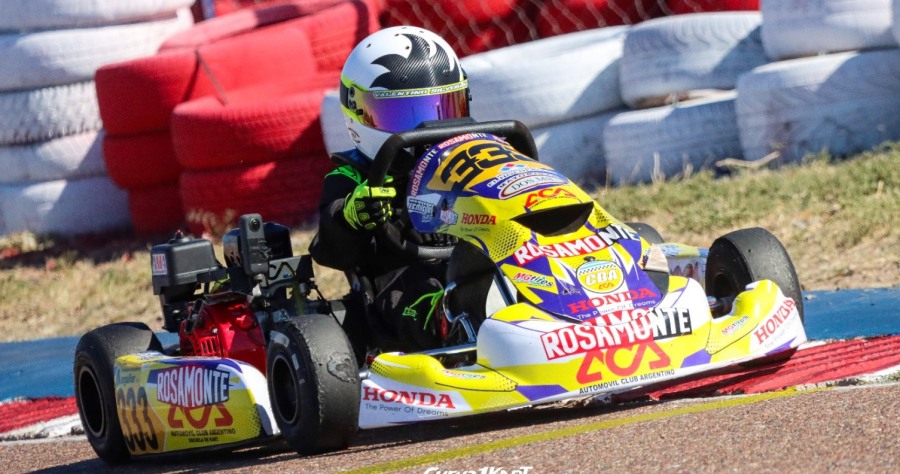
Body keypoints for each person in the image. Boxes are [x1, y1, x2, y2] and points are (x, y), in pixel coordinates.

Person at [309, 26, 471, 353]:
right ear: (360, 115)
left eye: (442, 109)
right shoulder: (352, 176)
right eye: (407, 115)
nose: (429, 130)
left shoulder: (469, 160)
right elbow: (331, 247)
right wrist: (351, 216)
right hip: (397, 285)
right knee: (419, 294)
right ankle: (449, 325)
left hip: (471, 262)